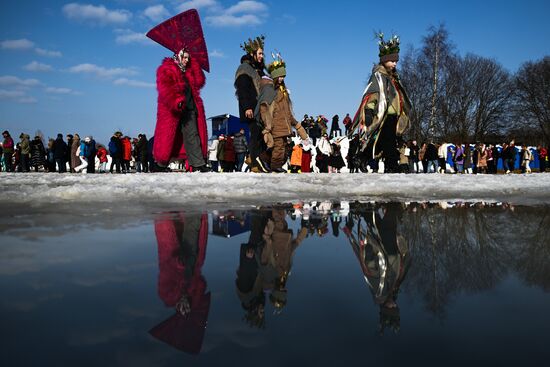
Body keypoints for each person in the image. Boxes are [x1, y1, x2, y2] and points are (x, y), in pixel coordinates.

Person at [147, 11, 210, 173]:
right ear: (178, 55)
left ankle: (198, 164)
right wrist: (176, 100)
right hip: (172, 110)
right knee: (168, 138)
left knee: (192, 136)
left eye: (189, 58)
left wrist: (195, 64)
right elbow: (165, 88)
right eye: (185, 57)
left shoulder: (188, 71)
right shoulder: (167, 69)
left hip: (189, 108)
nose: (187, 60)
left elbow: (199, 81)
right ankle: (159, 164)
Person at [349, 33, 411, 173]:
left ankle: (362, 157)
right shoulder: (379, 76)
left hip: (395, 114)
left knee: (384, 140)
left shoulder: (394, 78)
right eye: (392, 61)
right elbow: (373, 94)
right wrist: (369, 110)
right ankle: (391, 165)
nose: (395, 63)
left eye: (396, 61)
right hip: (384, 114)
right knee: (388, 140)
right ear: (384, 60)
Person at [256, 55, 308, 173]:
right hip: (275, 124)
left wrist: (296, 124)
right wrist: (268, 126)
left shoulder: (282, 91)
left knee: (280, 147)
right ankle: (275, 166)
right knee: (279, 148)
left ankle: (263, 159)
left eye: (283, 76)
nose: (281, 79)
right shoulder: (271, 90)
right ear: (274, 76)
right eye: (279, 76)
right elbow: (264, 108)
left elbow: (287, 112)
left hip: (284, 125)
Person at [235, 35, 268, 173]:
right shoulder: (245, 68)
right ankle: (254, 162)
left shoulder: (258, 69)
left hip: (260, 107)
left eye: (262, 53)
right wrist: (247, 106)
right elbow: (242, 89)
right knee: (255, 134)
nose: (262, 56)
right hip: (251, 107)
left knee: (261, 134)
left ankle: (253, 158)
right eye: (259, 53)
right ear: (252, 53)